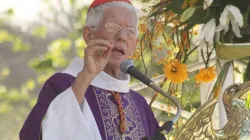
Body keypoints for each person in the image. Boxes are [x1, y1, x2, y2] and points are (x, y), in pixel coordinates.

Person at [19, 0, 159, 139]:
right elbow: (36, 135)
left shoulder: (139, 103)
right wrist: (86, 76)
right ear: (89, 34)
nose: (122, 37)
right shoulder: (63, 84)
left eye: (130, 31)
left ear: (135, 44)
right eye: (113, 27)